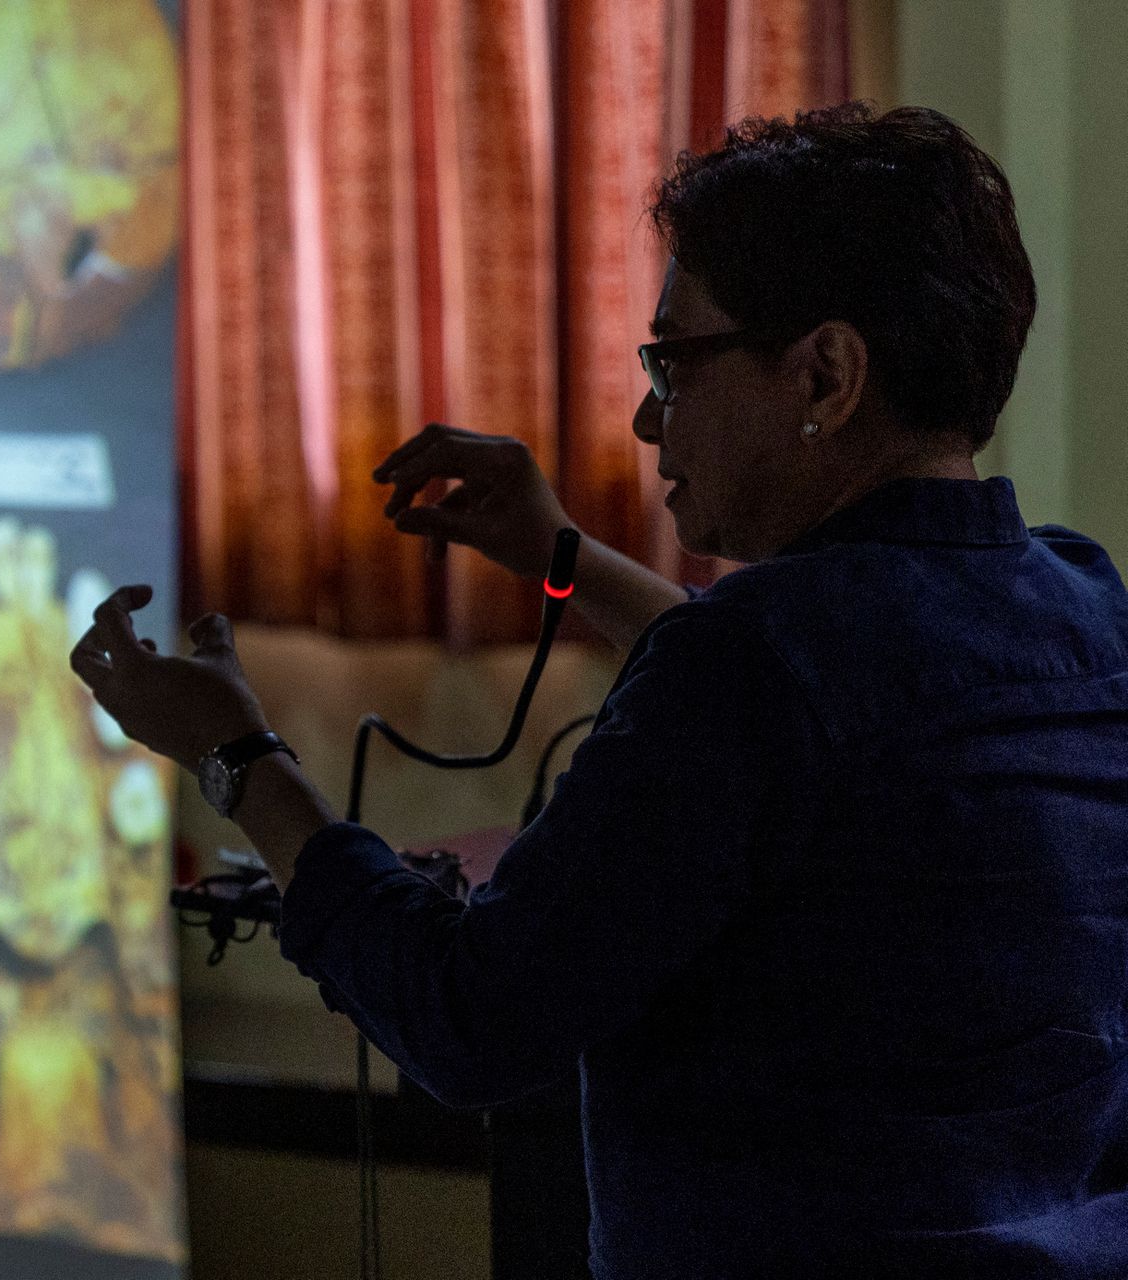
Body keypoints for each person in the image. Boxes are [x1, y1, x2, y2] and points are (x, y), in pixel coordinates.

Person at [71, 102, 1128, 1278]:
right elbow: (824, 727)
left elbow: (473, 1020)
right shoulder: (1085, 610)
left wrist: (236, 757)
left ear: (826, 371)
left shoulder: (754, 667)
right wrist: (561, 560)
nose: (642, 419)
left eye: (673, 363)